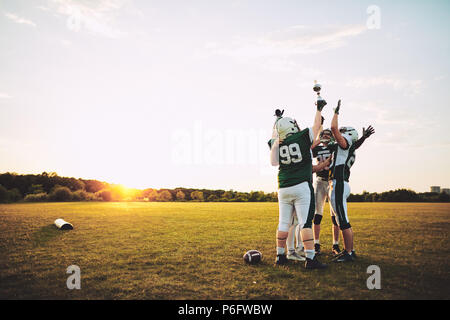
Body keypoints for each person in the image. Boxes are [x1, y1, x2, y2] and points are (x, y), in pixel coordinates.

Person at [269, 99, 327, 269]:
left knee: (283, 222)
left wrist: (278, 119)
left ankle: (280, 255)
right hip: (301, 185)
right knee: (305, 222)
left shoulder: (275, 143)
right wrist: (318, 109)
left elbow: (274, 136)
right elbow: (316, 126)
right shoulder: (301, 137)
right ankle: (310, 258)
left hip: (283, 187)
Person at [312, 125, 374, 256]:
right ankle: (316, 243)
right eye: (325, 134)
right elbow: (307, 148)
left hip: (334, 182)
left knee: (337, 217)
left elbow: (352, 145)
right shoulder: (323, 147)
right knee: (319, 215)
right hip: (322, 181)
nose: (328, 136)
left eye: (330, 134)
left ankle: (338, 245)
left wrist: (362, 138)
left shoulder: (339, 145)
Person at [328, 100, 375, 262]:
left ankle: (349, 253)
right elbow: (355, 145)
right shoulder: (349, 147)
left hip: (339, 183)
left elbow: (334, 128)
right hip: (338, 183)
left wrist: (336, 111)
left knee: (343, 219)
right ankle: (349, 251)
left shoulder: (345, 143)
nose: (338, 133)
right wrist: (363, 138)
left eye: (343, 132)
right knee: (339, 218)